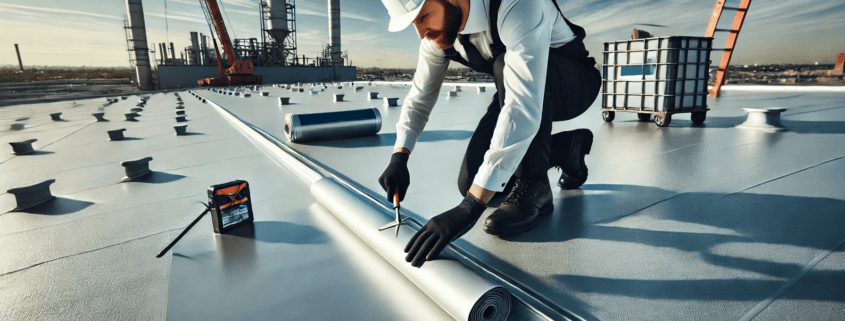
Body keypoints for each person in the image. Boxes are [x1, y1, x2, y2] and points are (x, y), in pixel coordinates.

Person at [378, 0, 601, 267]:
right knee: (474, 182)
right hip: (516, 85)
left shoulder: (517, 5)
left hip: (574, 84)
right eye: (413, 23)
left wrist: (470, 208)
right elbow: (420, 98)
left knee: (505, 67)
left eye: (424, 16)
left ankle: (536, 186)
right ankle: (568, 147)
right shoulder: (439, 37)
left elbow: (523, 106)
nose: (421, 32)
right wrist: (399, 156)